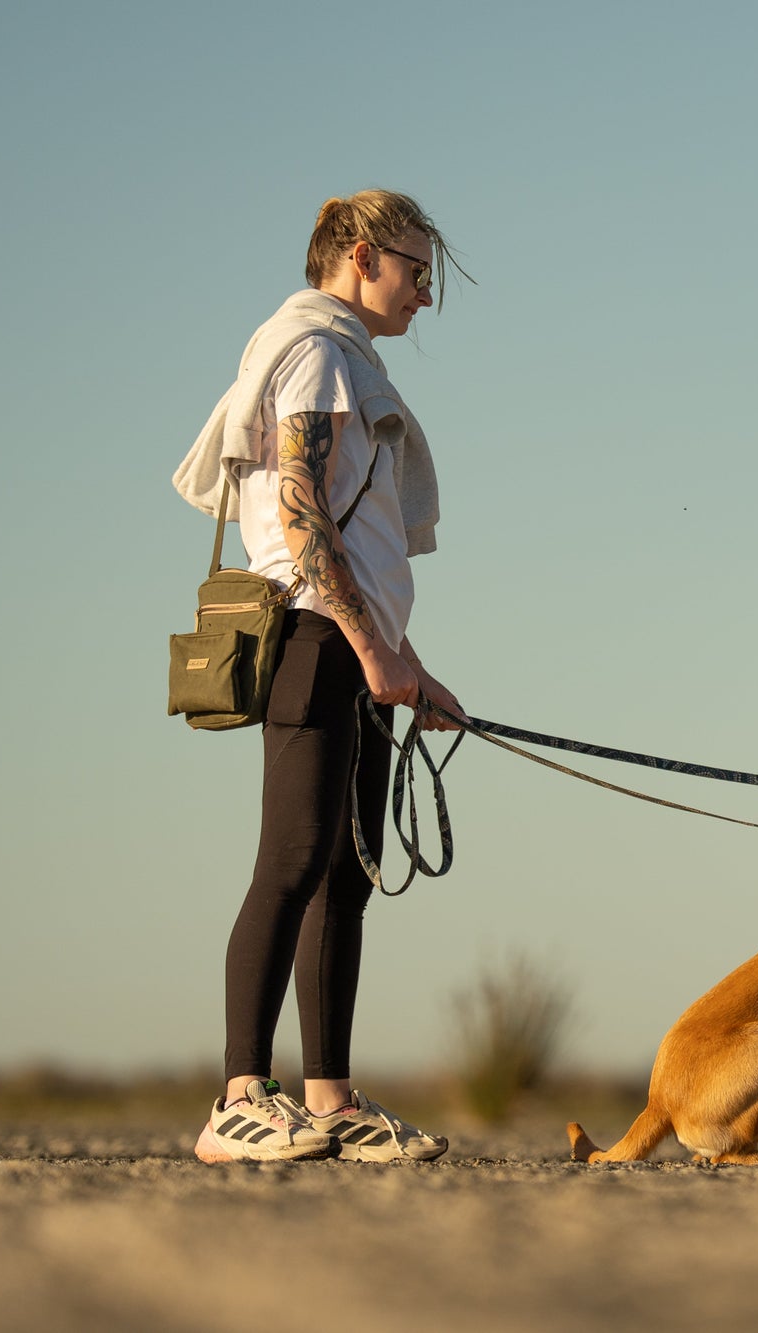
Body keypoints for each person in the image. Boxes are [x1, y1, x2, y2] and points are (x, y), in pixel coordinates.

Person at [172, 190, 470, 1163]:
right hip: (312, 637)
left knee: (346, 876)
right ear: (358, 254)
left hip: (355, 644)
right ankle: (238, 1098)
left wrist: (406, 663)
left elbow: (357, 532)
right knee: (292, 860)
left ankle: (330, 1100)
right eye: (415, 270)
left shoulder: (345, 353)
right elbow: (299, 506)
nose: (425, 293)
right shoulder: (311, 349)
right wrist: (370, 646)